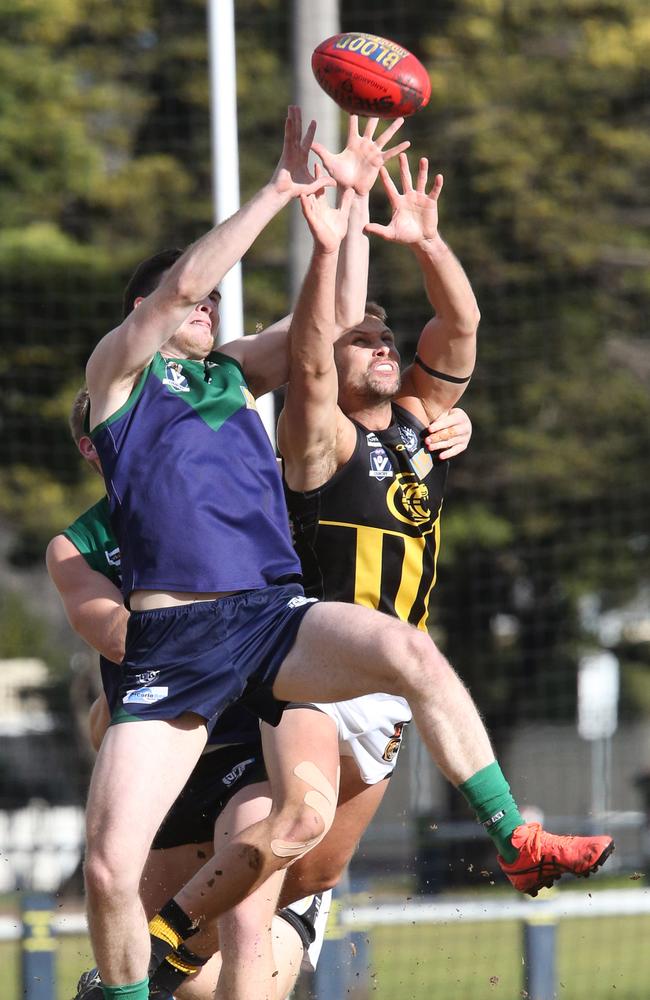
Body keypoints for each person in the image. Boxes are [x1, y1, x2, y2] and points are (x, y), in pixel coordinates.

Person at [82, 107, 613, 1000]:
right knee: (106, 871)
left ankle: (513, 836)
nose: (209, 307)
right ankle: (135, 985)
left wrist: (344, 217)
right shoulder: (119, 377)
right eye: (197, 298)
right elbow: (178, 291)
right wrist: (276, 193)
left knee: (410, 652)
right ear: (144, 310)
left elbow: (326, 340)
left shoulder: (233, 375)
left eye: (218, 303)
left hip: (267, 620)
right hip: (174, 645)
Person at [47, 386, 331, 1000]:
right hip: (167, 756)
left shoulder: (232, 497)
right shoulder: (79, 544)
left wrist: (438, 413)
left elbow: (328, 439)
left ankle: (295, 927)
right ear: (94, 448)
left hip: (243, 746)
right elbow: (121, 638)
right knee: (157, 971)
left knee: (247, 925)